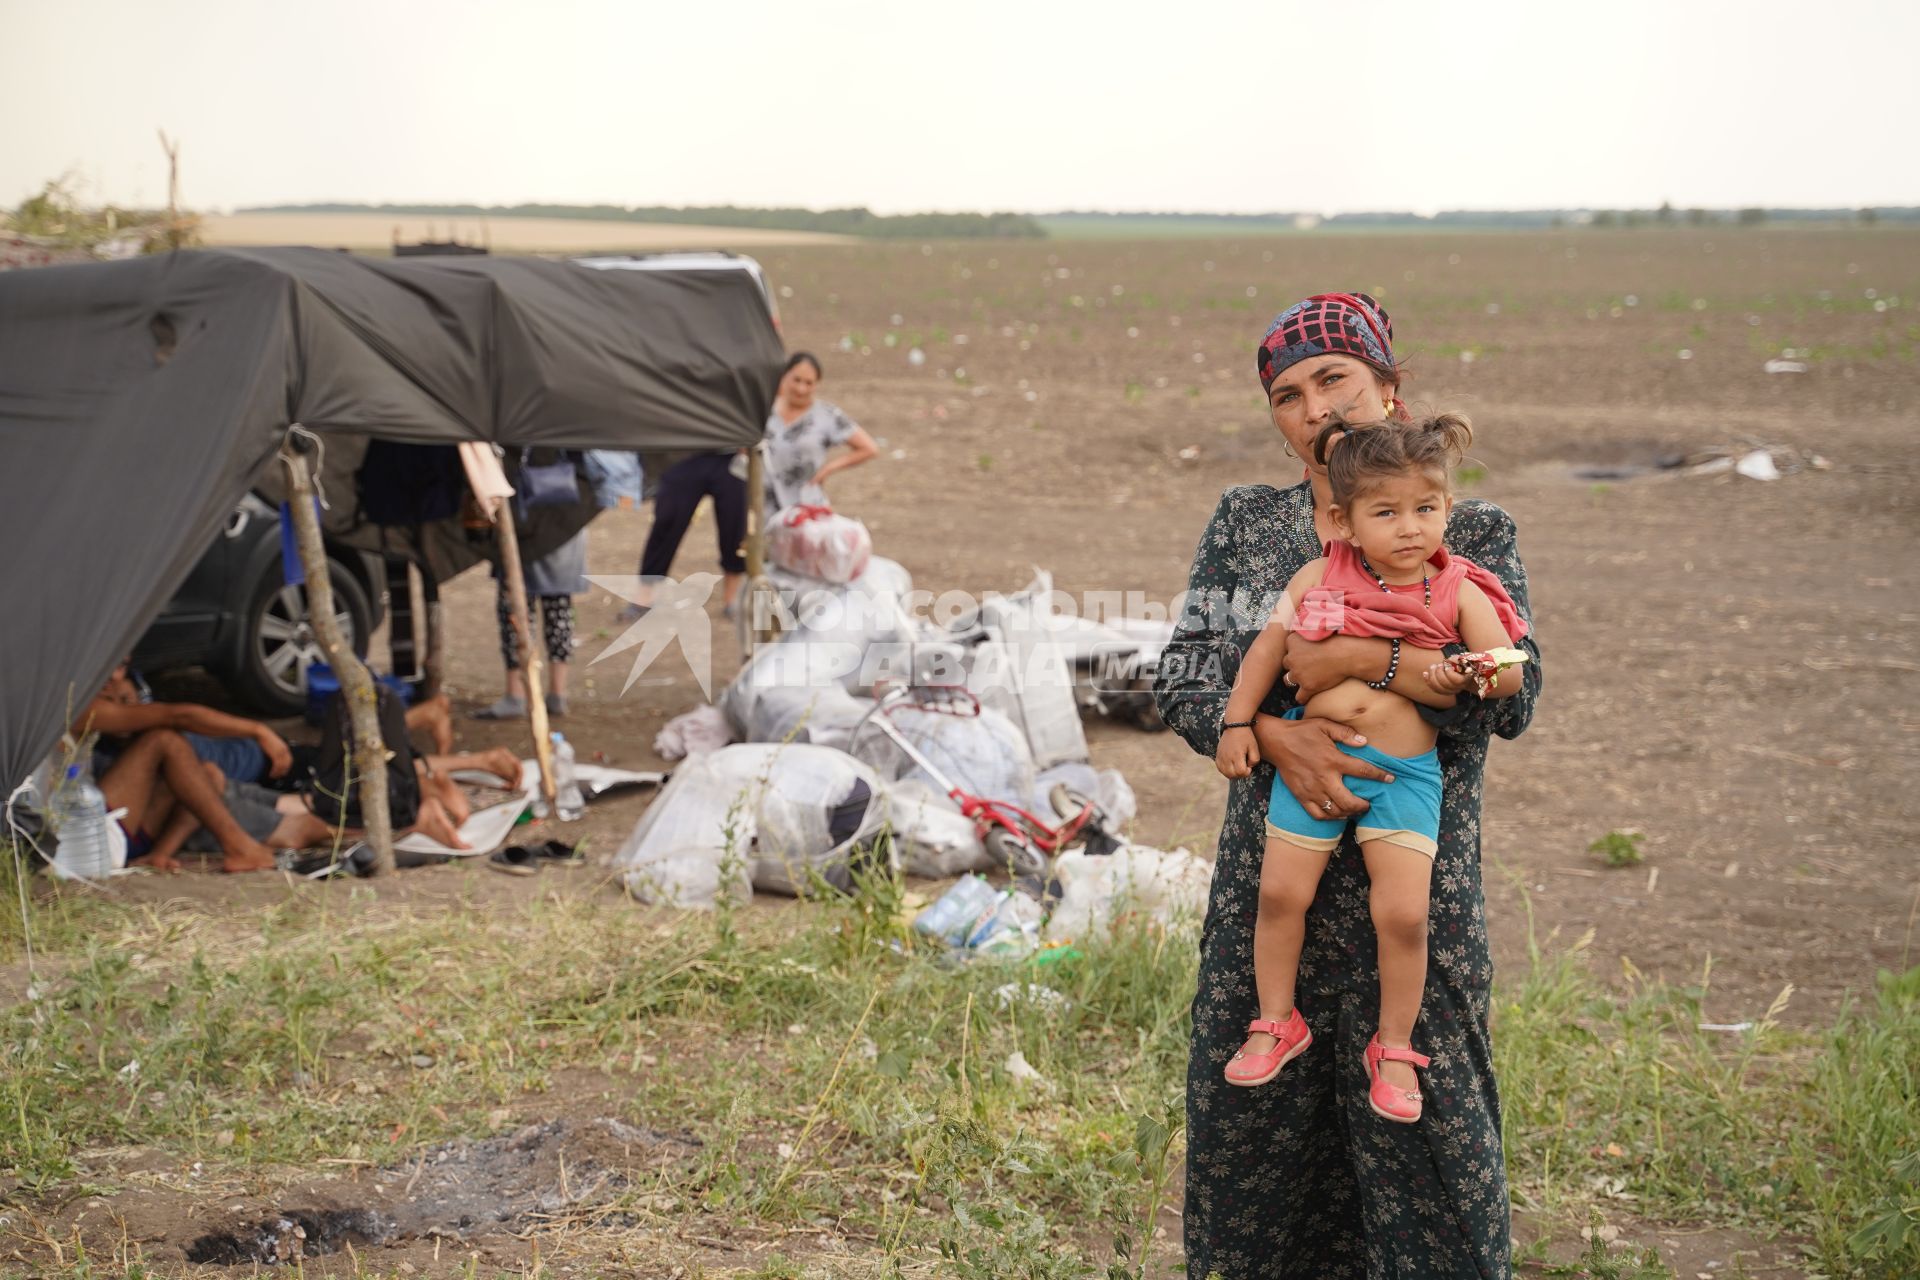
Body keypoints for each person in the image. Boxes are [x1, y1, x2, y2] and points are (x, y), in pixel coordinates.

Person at [1153, 292, 1542, 1279]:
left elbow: (1509, 695)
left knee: (1428, 1163)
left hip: (1414, 895)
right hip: (1270, 887)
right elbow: (1188, 670)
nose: (1313, 406)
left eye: (1334, 377)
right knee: (1255, 1169)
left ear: (1390, 386)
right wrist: (1274, 732)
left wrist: (1362, 661)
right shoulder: (1249, 524)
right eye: (1287, 393)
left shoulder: (1468, 529)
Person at [1211, 414, 1528, 1125]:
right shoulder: (1323, 573)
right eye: (1386, 512)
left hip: (1404, 775)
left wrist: (1470, 672)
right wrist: (1237, 721)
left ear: (1448, 507)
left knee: (1405, 914)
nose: (1410, 527)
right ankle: (1275, 1021)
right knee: (1279, 898)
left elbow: (1509, 675)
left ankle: (1392, 1048)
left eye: (1426, 508)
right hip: (1310, 762)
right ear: (1346, 522)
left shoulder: (1458, 590)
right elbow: (1267, 651)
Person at [474, 529, 584, 720]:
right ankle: (556, 693)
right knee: (558, 608)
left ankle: (517, 695)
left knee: (516, 609)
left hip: (529, 530)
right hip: (564, 527)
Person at [761, 352, 879, 525]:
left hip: (806, 508)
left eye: (809, 383)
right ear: (784, 376)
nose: (801, 389)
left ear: (817, 384)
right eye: (797, 380)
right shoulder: (763, 410)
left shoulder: (827, 415)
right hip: (764, 506)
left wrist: (828, 469)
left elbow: (869, 448)